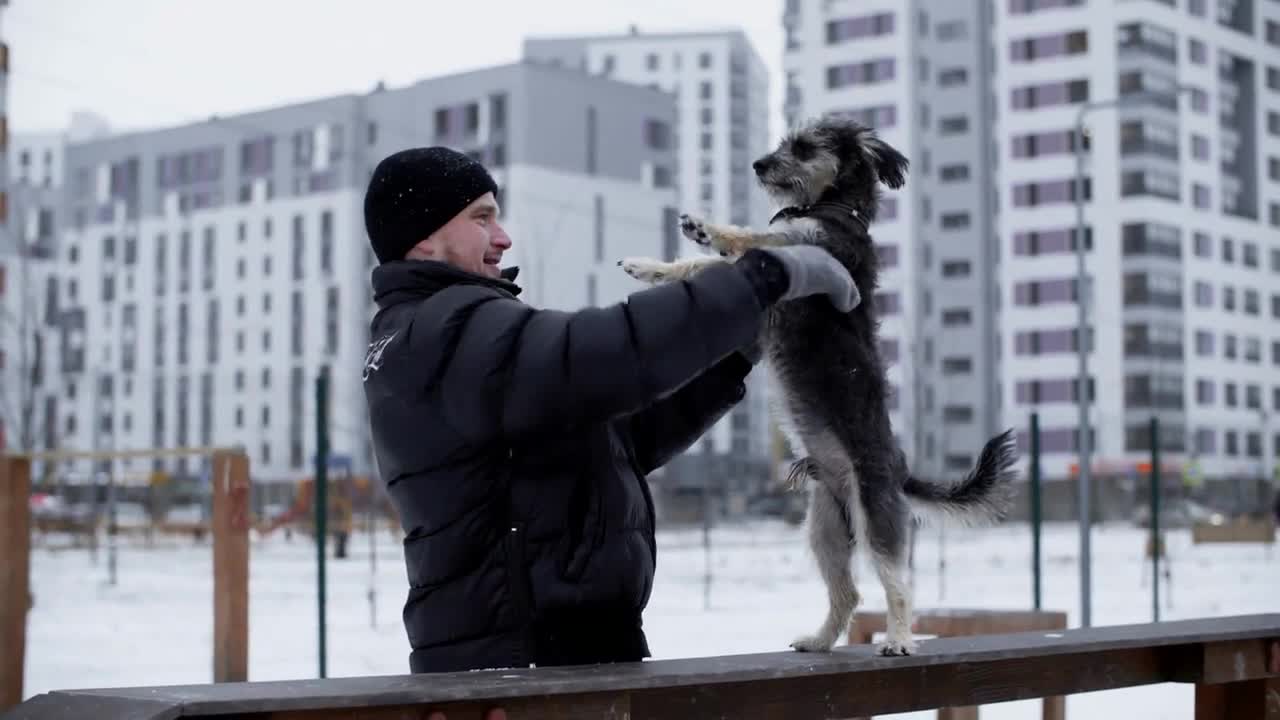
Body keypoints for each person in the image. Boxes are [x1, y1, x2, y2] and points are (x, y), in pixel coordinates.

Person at [361, 146, 860, 674]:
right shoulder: (445, 327)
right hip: (518, 669)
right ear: (423, 237)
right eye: (481, 218)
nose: (502, 237)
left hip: (544, 654)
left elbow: (620, 436)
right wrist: (760, 278)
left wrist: (737, 349)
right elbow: (605, 355)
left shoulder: (439, 335)